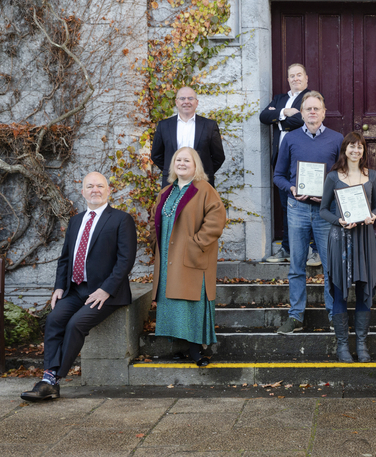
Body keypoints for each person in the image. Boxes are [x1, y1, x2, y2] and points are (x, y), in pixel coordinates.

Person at [21, 172, 137, 402]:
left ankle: (51, 380)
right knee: (54, 319)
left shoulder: (121, 219)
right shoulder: (76, 220)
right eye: (90, 186)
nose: (95, 190)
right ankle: (48, 380)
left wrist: (106, 289)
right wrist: (58, 288)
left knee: (75, 324)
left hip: (106, 293)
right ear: (82, 191)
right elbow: (65, 258)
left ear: (108, 191)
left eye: (100, 186)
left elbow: (126, 260)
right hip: (75, 289)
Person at [273, 91, 343, 334]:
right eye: (308, 109)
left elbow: (343, 177)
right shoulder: (290, 139)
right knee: (296, 265)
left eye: (317, 109)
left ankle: (335, 315)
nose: (312, 112)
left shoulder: (337, 139)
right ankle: (296, 316)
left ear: (324, 113)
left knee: (331, 265)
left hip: (326, 211)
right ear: (301, 114)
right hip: (298, 209)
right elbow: (278, 176)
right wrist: (292, 188)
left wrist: (329, 194)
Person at [150, 147, 226, 366]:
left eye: (187, 160)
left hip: (191, 254)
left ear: (195, 166)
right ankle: (181, 347)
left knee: (190, 301)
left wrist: (196, 244)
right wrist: (156, 244)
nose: (181, 163)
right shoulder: (166, 192)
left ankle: (196, 350)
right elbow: (156, 221)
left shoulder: (204, 189)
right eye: (178, 160)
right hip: (167, 256)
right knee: (173, 302)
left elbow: (216, 218)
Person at [320, 132, 376, 363]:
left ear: (364, 151)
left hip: (364, 238)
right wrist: (339, 221)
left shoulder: (372, 176)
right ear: (344, 149)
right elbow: (323, 210)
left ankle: (362, 344)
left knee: (363, 290)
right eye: (351, 147)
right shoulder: (333, 177)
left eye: (360, 147)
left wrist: (372, 217)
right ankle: (343, 346)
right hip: (340, 239)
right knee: (339, 291)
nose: (356, 151)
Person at [259, 64, 319, 264]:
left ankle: (313, 250)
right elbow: (263, 116)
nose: (295, 79)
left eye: (299, 75)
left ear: (306, 78)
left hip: (303, 157)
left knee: (308, 204)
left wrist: (279, 120)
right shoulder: (280, 99)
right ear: (288, 79)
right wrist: (285, 111)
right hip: (281, 158)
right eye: (291, 76)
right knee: (286, 204)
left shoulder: (310, 97)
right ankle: (286, 248)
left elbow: (305, 120)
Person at [151, 86, 226, 187]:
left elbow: (218, 157)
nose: (186, 102)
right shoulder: (164, 126)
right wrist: (174, 171)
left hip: (201, 182)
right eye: (182, 98)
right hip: (172, 182)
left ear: (196, 102)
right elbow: (156, 155)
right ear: (177, 102)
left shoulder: (209, 126)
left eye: (190, 98)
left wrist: (202, 172)